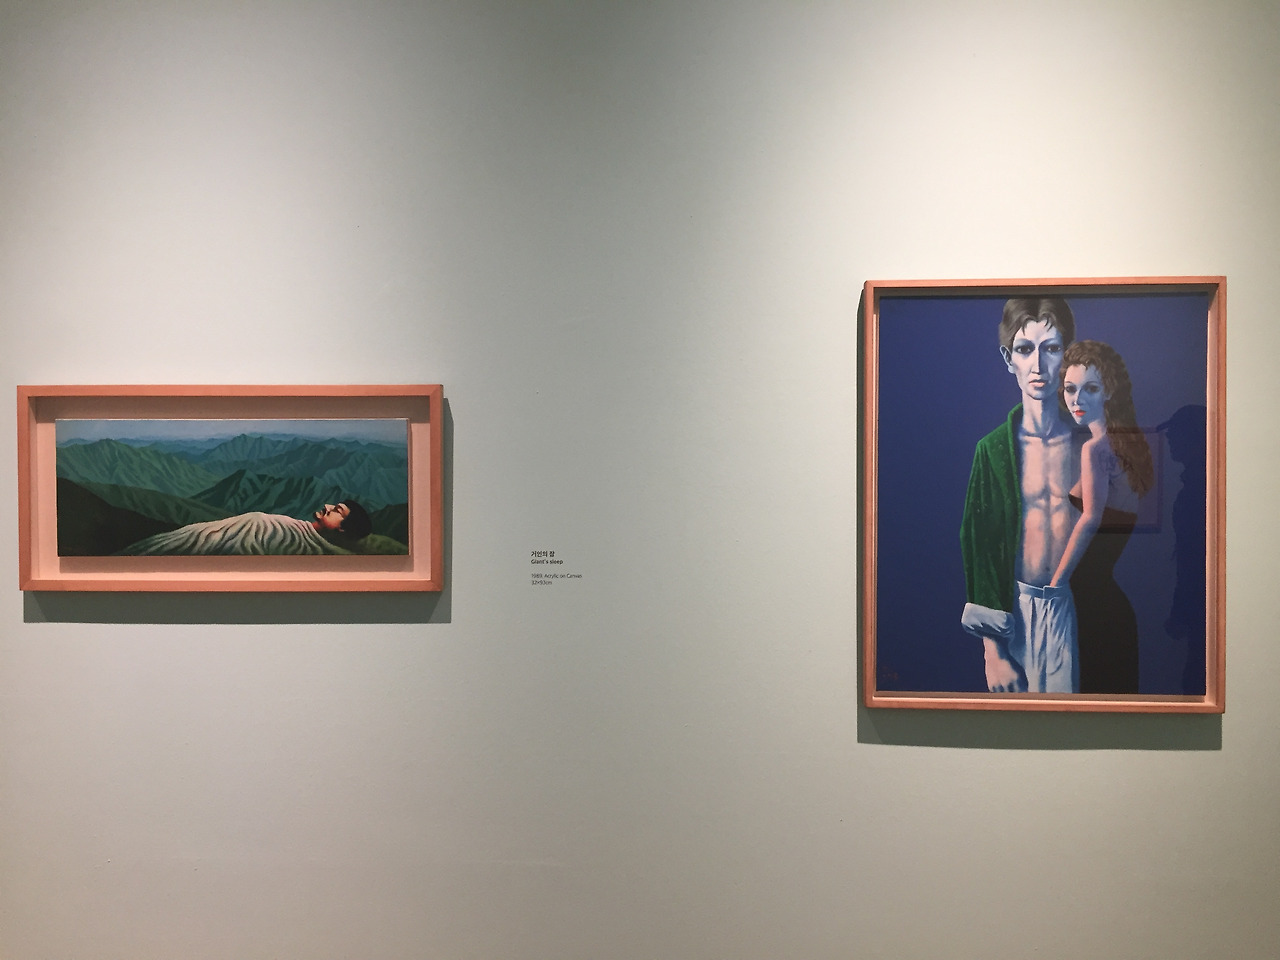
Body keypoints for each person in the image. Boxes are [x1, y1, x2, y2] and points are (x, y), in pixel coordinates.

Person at [960, 298, 1083, 693]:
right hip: (1014, 614)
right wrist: (992, 653)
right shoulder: (993, 450)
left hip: (1074, 609)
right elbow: (980, 546)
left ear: (1067, 355)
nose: (1038, 365)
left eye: (1051, 348)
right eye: (1025, 349)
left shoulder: (1087, 445)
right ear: (1008, 358)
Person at [1048, 341, 1154, 693]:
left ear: (1109, 391)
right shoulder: (1125, 445)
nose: (1077, 399)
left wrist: (1056, 584)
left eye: (1090, 389)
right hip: (1105, 603)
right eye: (1070, 389)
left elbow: (1091, 518)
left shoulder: (1096, 448)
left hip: (1093, 603)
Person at [120, 500, 373, 555]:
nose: (328, 506)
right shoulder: (284, 526)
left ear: (342, 529)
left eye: (337, 510)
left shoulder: (275, 528)